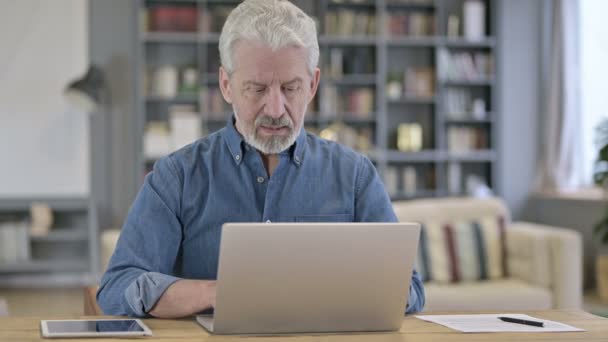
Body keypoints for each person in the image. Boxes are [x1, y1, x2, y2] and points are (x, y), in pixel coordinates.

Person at [97, 0, 424, 318]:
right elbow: (117, 288)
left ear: (313, 85)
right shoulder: (177, 176)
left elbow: (409, 290)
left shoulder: (355, 175)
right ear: (226, 85)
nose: (275, 109)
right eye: (257, 88)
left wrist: (332, 291)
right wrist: (218, 293)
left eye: (291, 88)